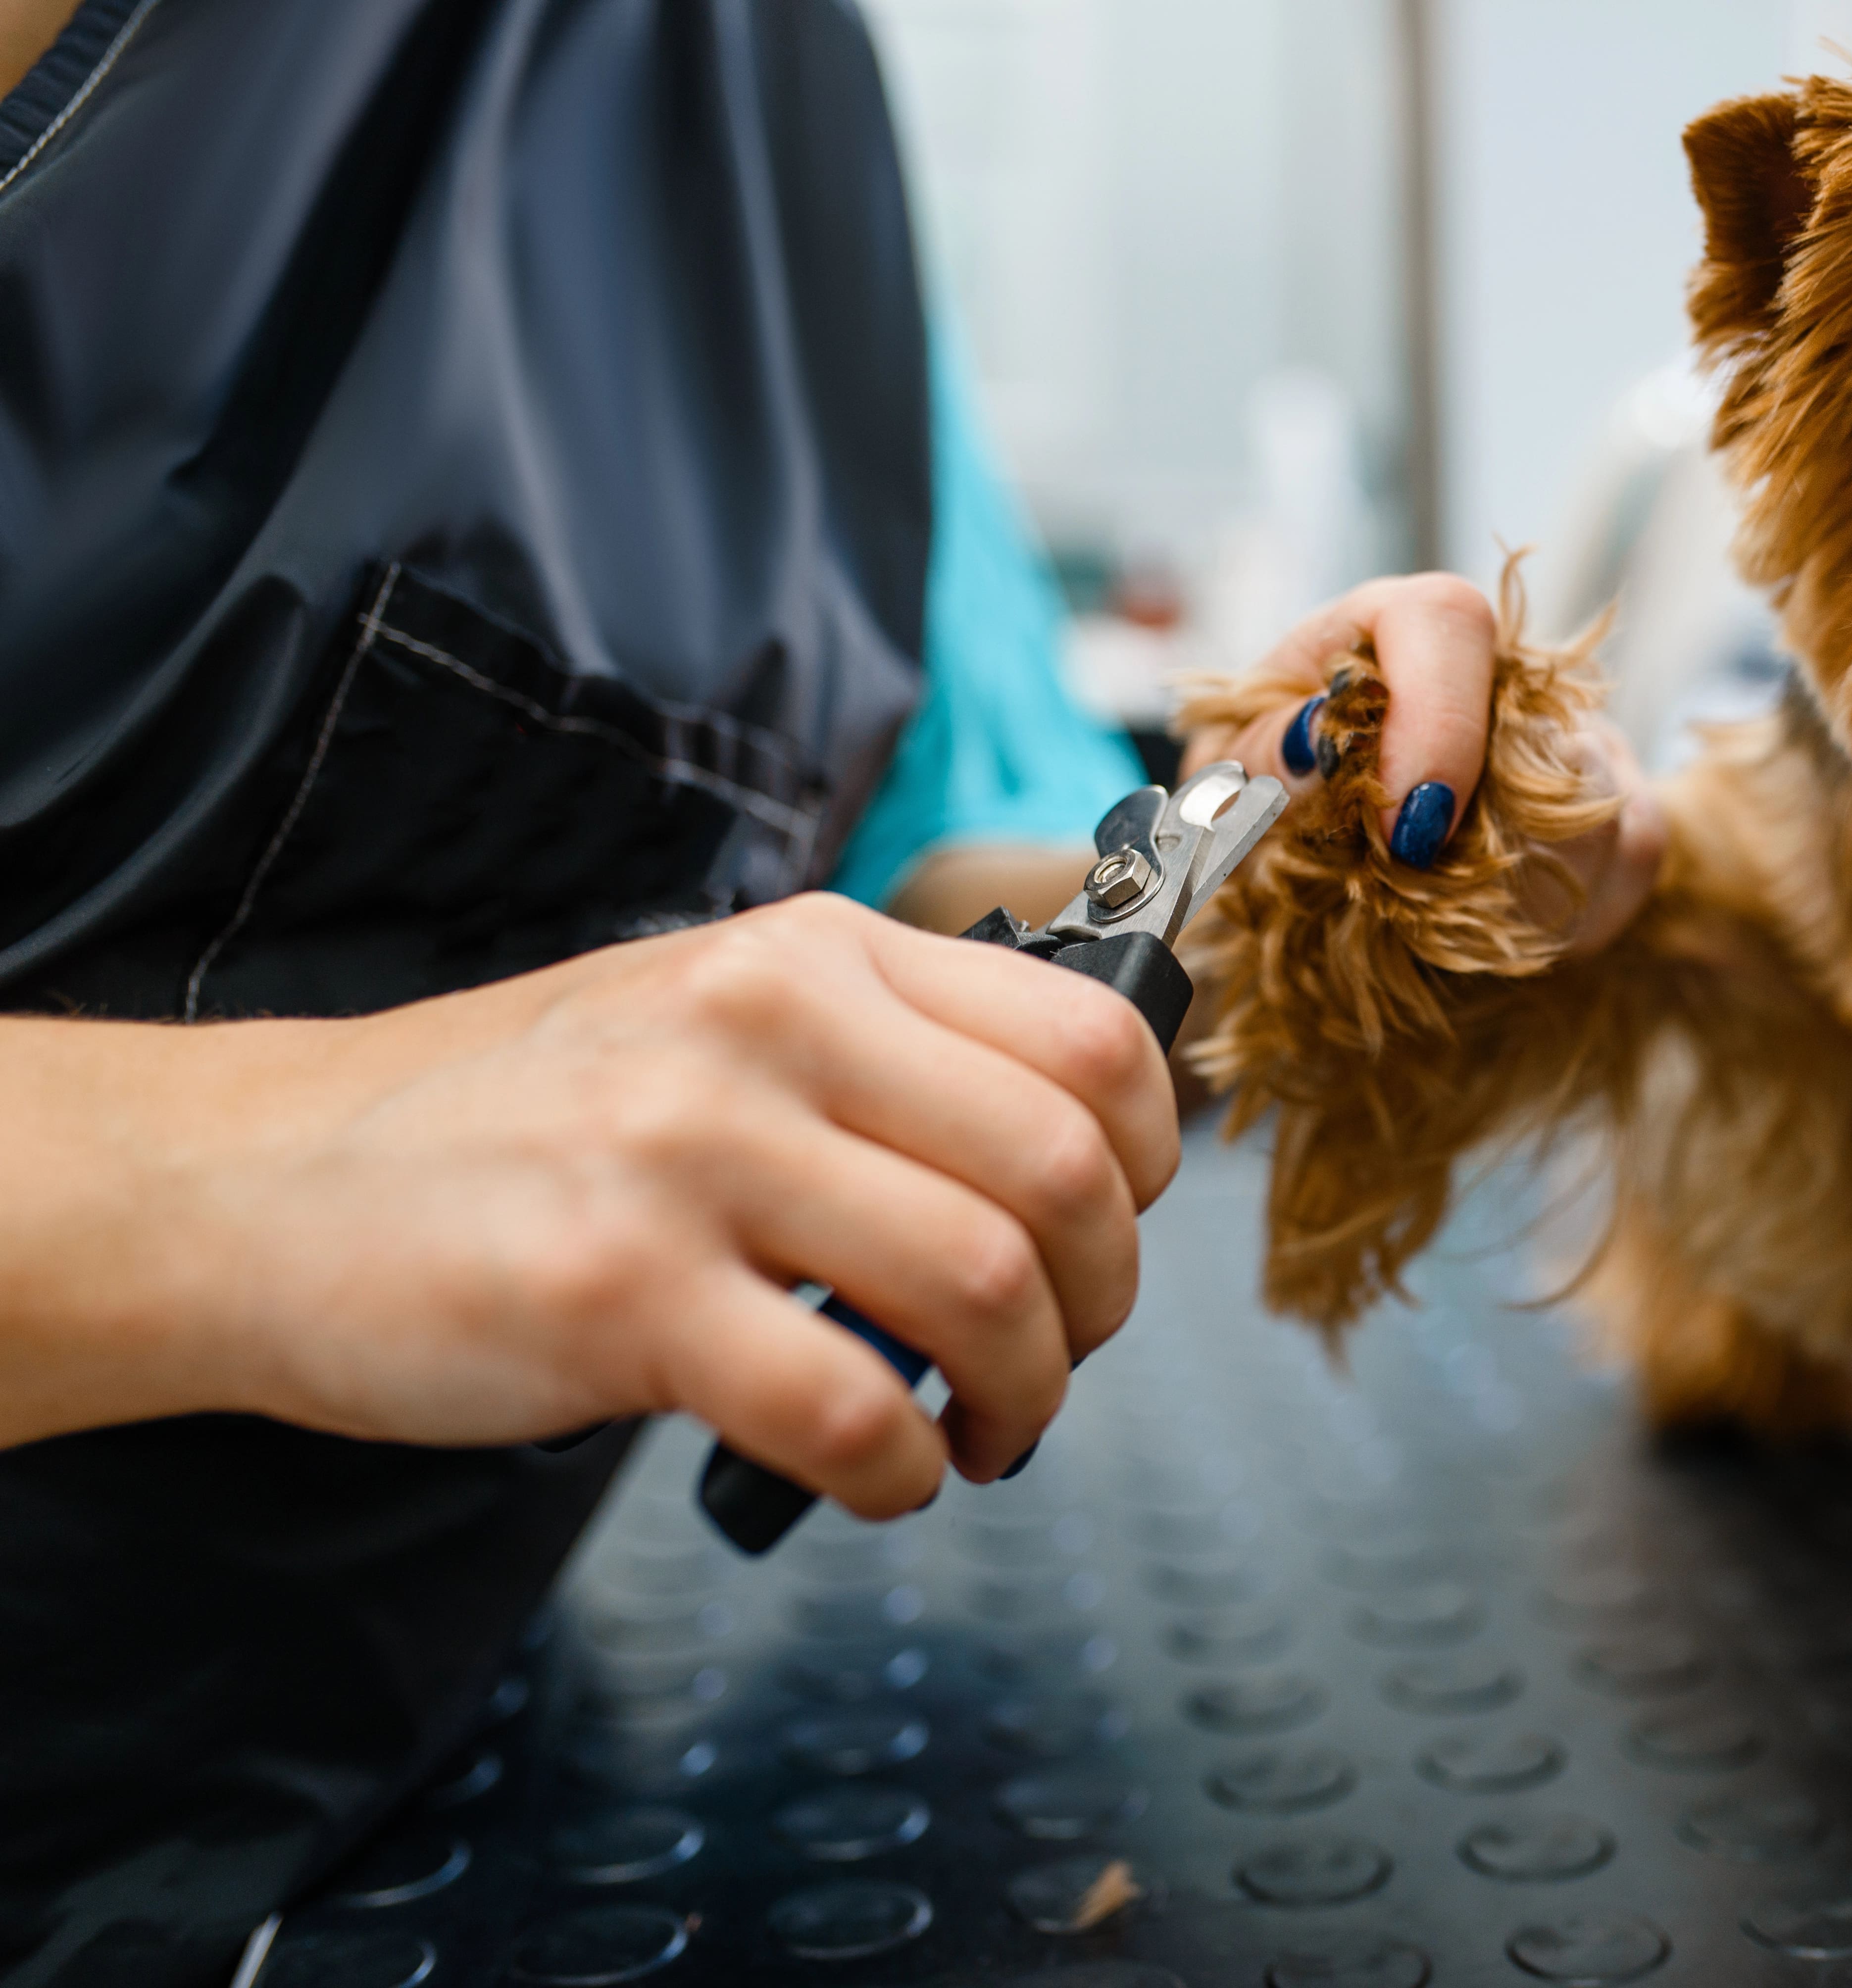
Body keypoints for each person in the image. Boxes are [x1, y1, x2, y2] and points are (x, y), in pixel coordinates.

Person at [0, 1, 1659, 1979]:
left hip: (395, 1807)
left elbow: (943, 869)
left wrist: (1290, 860)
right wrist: (241, 1175)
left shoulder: (761, 98)